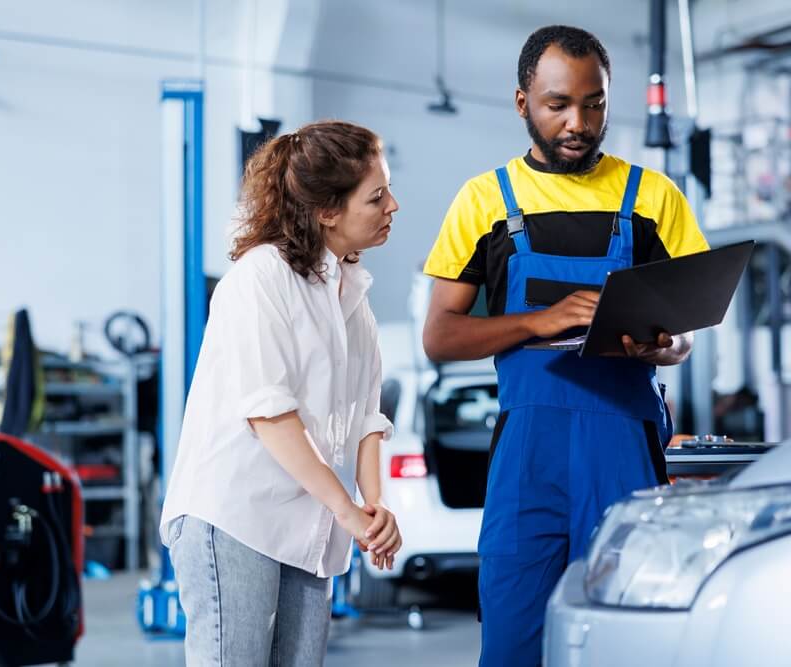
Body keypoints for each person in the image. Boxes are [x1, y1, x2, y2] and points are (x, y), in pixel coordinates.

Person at [421, 25, 709, 666]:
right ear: (522, 102)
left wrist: (662, 348)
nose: (578, 122)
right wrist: (538, 321)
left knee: (626, 638)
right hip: (529, 461)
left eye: (595, 103)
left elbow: (685, 334)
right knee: (513, 639)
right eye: (558, 105)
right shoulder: (484, 202)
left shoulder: (654, 200)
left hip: (626, 451)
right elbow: (440, 335)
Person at [160, 120, 403, 666]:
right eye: (377, 195)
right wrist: (346, 509)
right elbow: (269, 416)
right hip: (234, 515)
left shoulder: (353, 296)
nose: (393, 206)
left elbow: (367, 417)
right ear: (326, 211)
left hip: (308, 522)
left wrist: (374, 504)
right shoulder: (259, 278)